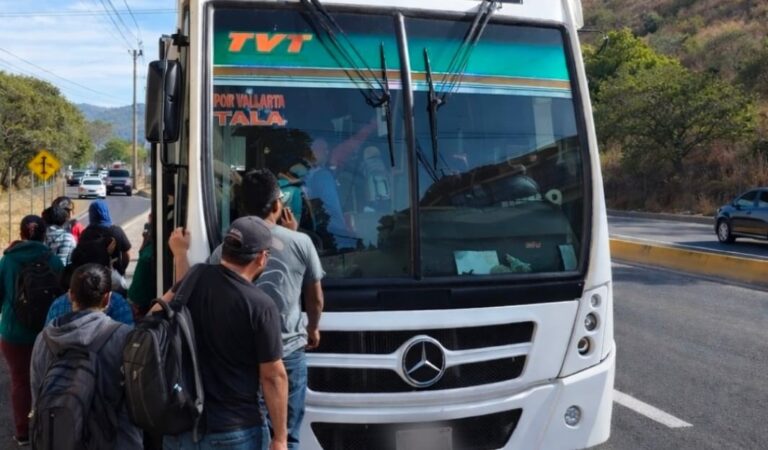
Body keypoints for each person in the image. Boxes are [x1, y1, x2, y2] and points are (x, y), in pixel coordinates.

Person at [206, 170, 324, 450]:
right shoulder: (301, 243)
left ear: (243, 207)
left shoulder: (224, 250)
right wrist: (313, 328)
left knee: (253, 431)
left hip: (242, 356)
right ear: (276, 206)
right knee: (287, 436)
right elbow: (315, 298)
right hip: (289, 354)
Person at [162, 216, 289, 450]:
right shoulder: (261, 305)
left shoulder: (195, 277)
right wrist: (280, 437)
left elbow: (157, 314)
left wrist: (180, 255)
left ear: (225, 251)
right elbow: (273, 376)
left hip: (181, 427)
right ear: (262, 258)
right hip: (234, 430)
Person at [30, 263, 142, 449]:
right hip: (116, 440)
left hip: (59, 438)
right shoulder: (124, 337)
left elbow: (37, 393)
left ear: (70, 295)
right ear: (107, 298)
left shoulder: (44, 339)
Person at [0, 215, 64, 446]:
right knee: (49, 380)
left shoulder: (7, 261)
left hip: (13, 333)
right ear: (44, 234)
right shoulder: (54, 261)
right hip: (48, 332)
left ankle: (23, 433)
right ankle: (48, 429)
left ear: (21, 233)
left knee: (20, 381)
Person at [45, 241, 134, 326]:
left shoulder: (58, 306)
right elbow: (129, 337)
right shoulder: (119, 304)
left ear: (71, 295)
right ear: (107, 298)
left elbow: (45, 337)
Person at [80, 199, 132, 275]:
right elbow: (127, 254)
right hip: (114, 277)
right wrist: (121, 269)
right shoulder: (116, 231)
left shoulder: (85, 234)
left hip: (92, 277)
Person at [128, 213, 156, 319]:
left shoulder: (150, 255)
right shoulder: (149, 245)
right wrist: (145, 239)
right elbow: (141, 253)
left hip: (139, 300)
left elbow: (143, 258)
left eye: (149, 223)